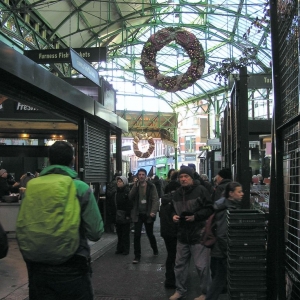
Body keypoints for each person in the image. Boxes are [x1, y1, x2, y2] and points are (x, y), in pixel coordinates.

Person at [18, 141, 104, 300]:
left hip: (37, 268)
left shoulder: (31, 187)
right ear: (72, 160)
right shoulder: (80, 188)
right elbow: (96, 232)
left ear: (49, 161)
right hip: (73, 267)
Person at [169, 167, 214, 300]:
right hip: (182, 235)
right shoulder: (176, 194)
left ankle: (206, 293)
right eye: (181, 177)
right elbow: (171, 209)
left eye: (186, 176)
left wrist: (195, 217)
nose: (183, 179)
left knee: (202, 267)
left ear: (191, 178)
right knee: (179, 266)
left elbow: (210, 208)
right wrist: (173, 216)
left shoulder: (201, 191)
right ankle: (180, 290)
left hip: (199, 234)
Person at [206, 182, 243, 300]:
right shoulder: (226, 209)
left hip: (221, 249)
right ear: (231, 194)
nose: (242, 194)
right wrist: (228, 252)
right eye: (239, 192)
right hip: (223, 250)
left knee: (220, 279)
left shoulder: (225, 205)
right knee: (220, 279)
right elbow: (222, 234)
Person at [129, 168, 159, 264]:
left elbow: (155, 199)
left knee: (150, 234)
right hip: (138, 214)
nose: (141, 176)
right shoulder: (136, 186)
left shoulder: (151, 186)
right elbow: (130, 196)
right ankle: (137, 256)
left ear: (146, 176)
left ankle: (155, 248)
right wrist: (135, 186)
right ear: (137, 176)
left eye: (143, 174)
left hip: (148, 213)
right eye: (139, 174)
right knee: (137, 235)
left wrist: (153, 211)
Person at [160, 171, 180, 289]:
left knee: (170, 255)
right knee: (176, 256)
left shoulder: (164, 202)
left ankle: (169, 278)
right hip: (174, 232)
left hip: (166, 233)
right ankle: (173, 279)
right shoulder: (175, 202)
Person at [113, 176, 133, 255]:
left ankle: (125, 249)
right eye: (118, 181)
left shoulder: (127, 192)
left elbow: (129, 204)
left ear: (124, 182)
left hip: (125, 214)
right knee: (119, 233)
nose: (118, 183)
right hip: (118, 214)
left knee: (125, 233)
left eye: (120, 181)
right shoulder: (116, 192)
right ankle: (119, 248)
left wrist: (128, 214)